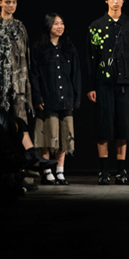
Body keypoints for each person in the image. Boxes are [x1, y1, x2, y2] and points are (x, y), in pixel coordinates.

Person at [86, 0, 129, 185]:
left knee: (124, 127)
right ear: (106, 0)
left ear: (123, 0)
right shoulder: (96, 26)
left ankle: (121, 171)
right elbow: (91, 58)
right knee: (104, 125)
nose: (116, 1)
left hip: (126, 83)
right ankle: (103, 171)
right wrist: (91, 86)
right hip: (103, 83)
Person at [30, 13, 82, 186]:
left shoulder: (69, 48)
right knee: (47, 136)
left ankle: (60, 171)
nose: (60, 27)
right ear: (48, 27)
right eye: (55, 24)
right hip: (47, 99)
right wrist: (37, 96)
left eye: (62, 23)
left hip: (66, 98)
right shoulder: (39, 48)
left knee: (64, 136)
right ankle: (47, 171)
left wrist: (76, 98)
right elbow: (35, 76)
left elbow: (76, 76)